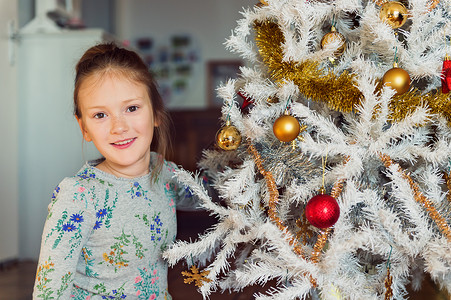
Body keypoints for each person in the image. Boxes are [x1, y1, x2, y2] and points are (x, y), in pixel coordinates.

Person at [33, 42, 198, 299]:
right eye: (100, 115)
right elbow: (49, 293)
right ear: (83, 127)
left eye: (131, 108)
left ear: (155, 113)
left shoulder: (163, 172)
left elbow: (210, 194)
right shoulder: (77, 196)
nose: (118, 127)